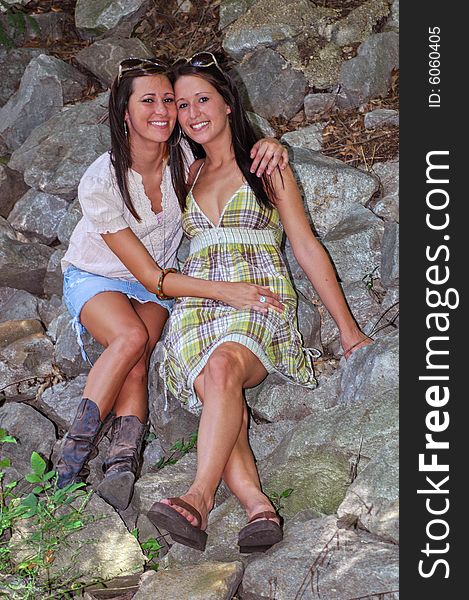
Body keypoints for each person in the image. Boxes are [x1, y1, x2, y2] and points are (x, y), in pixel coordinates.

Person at [147, 52, 372, 553]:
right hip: (200, 305)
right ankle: (257, 507)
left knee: (223, 369)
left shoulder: (265, 165)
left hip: (258, 298)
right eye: (182, 105)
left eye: (202, 99)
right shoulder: (184, 173)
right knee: (215, 383)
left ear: (229, 103)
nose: (191, 113)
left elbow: (305, 245)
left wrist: (347, 328)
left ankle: (199, 498)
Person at [55, 57, 288, 511]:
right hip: (101, 274)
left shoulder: (184, 157)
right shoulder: (101, 180)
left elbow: (229, 145)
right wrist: (225, 291)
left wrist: (273, 145)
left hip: (156, 282)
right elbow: (153, 278)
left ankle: (122, 466)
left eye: (168, 100)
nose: (163, 110)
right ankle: (72, 457)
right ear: (124, 112)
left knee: (139, 362)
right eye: (148, 101)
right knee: (130, 338)